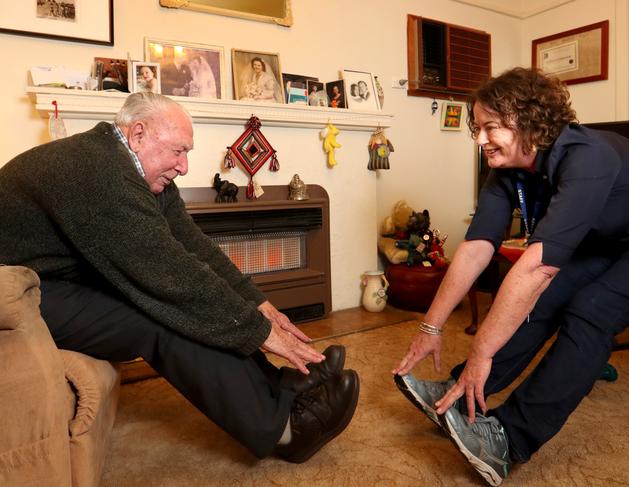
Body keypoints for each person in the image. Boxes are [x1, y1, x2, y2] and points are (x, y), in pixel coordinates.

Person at [0, 92, 360, 463]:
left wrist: (260, 304)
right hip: (16, 294)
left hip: (53, 280)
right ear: (138, 134)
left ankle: (282, 388)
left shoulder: (134, 170)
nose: (184, 167)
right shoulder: (96, 171)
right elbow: (172, 275)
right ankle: (284, 431)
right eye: (178, 151)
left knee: (190, 304)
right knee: (163, 313)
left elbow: (194, 248)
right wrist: (261, 333)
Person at [392, 67, 629, 486]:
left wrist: (482, 353)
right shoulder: (507, 169)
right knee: (543, 299)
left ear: (527, 119)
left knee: (591, 311)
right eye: (476, 128)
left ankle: (508, 440)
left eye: (489, 127)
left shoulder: (589, 156)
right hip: (611, 240)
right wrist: (431, 326)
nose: (479, 140)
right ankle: (460, 397)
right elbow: (477, 247)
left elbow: (537, 267)